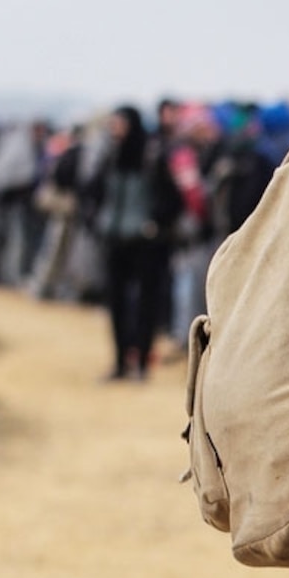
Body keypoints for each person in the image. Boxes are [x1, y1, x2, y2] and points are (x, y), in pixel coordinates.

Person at [86, 106, 182, 378]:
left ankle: (140, 361)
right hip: (115, 240)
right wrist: (97, 221)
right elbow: (92, 191)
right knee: (116, 303)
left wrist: (154, 224)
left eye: (119, 123)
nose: (114, 129)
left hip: (145, 244)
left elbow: (172, 199)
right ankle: (119, 362)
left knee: (145, 303)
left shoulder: (151, 157)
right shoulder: (110, 157)